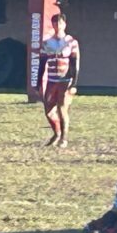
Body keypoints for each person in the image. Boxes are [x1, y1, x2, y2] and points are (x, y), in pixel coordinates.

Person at [39, 14, 80, 148]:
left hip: (65, 79)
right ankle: (56, 133)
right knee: (49, 109)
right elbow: (42, 63)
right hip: (51, 79)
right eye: (55, 23)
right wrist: (38, 82)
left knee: (62, 108)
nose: (58, 26)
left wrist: (74, 83)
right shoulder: (47, 43)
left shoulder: (71, 42)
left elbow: (75, 63)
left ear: (65, 24)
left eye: (60, 23)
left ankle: (64, 138)